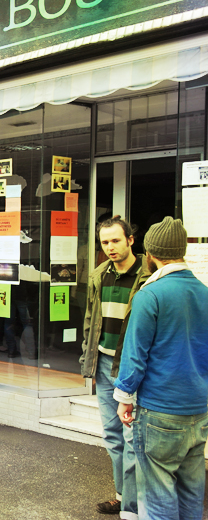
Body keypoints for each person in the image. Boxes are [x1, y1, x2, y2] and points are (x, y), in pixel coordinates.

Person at [113, 217, 208, 520]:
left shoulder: (150, 294)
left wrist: (124, 399)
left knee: (157, 496)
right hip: (198, 409)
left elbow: (135, 355)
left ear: (151, 253)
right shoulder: (205, 293)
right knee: (191, 493)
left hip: (159, 409)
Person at [81, 217, 150, 518]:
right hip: (104, 362)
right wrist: (88, 358)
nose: (110, 247)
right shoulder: (99, 275)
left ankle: (134, 505)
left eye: (116, 240)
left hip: (131, 366)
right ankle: (122, 496)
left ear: (131, 240)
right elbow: (90, 320)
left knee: (133, 438)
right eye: (105, 242)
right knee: (112, 435)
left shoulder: (149, 275)